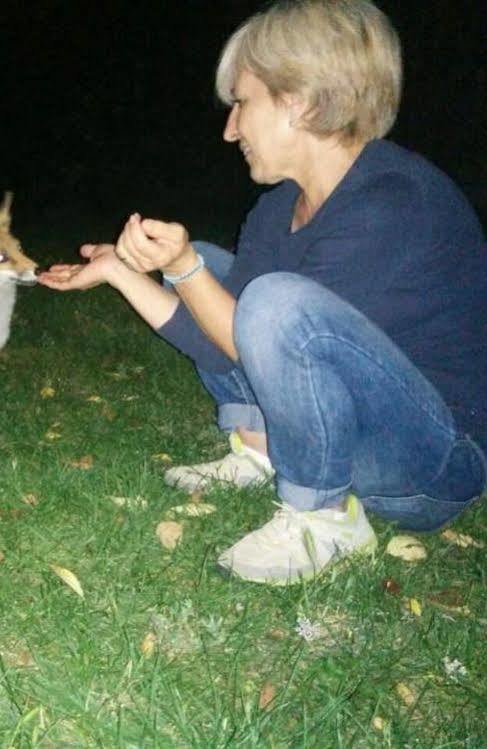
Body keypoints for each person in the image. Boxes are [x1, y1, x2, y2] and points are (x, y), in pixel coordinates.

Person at [39, 0, 487, 586]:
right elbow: (225, 338)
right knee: (226, 274)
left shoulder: (394, 201)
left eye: (242, 104)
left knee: (267, 298)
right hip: (361, 431)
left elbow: (265, 330)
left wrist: (182, 267)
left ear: (298, 102)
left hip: (431, 464)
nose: (230, 130)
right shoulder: (279, 210)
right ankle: (261, 447)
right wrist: (128, 274)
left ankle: (323, 519)